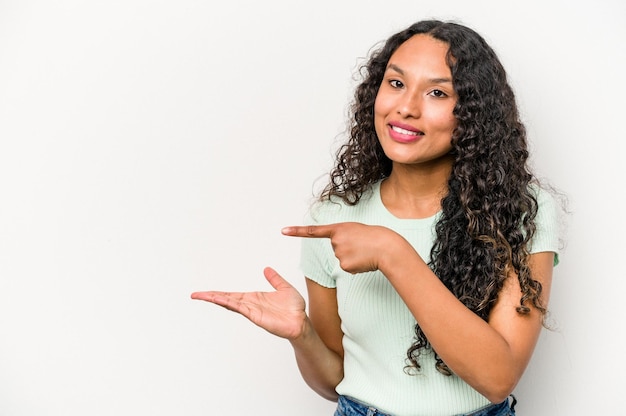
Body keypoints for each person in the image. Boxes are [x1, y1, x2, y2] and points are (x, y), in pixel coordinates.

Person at [191, 19, 562, 416]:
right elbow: (335, 382)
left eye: (437, 92)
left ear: (473, 114)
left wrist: (392, 253)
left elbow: (498, 377)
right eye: (396, 83)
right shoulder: (334, 217)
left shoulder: (519, 211)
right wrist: (302, 336)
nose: (406, 107)